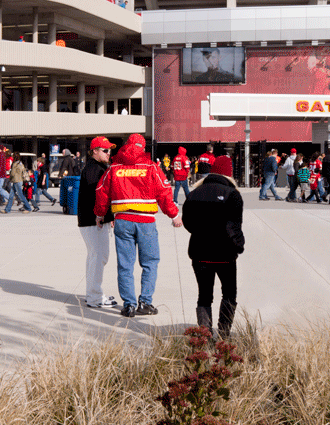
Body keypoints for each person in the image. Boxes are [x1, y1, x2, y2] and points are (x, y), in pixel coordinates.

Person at [93, 133, 182, 318]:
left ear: (126, 146)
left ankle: (129, 305)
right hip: (146, 222)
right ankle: (145, 303)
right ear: (143, 147)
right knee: (150, 263)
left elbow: (102, 191)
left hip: (123, 221)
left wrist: (100, 214)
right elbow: (164, 191)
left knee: (125, 265)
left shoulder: (115, 167)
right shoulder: (151, 166)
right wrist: (174, 215)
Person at [181, 154, 244, 338]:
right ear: (229, 174)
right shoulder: (232, 194)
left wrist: (201, 233)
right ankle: (224, 335)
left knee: (204, 296)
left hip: (199, 252)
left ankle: (205, 335)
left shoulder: (193, 194)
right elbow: (234, 227)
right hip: (224, 253)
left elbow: (187, 222)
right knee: (229, 294)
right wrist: (238, 246)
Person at [77, 136, 118, 309]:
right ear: (95, 151)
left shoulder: (96, 167)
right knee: (99, 256)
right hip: (94, 220)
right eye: (105, 150)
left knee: (94, 257)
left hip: (92, 219)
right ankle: (94, 297)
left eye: (110, 150)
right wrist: (102, 216)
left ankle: (92, 293)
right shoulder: (95, 169)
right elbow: (97, 195)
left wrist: (109, 216)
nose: (109, 153)